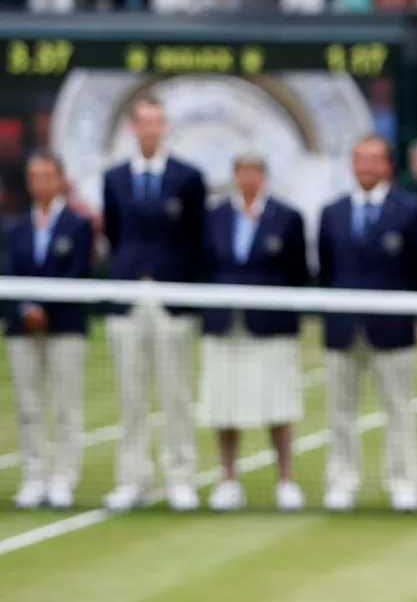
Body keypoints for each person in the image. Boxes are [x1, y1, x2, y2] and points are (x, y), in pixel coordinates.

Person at [101, 97, 207, 512]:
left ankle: (180, 477)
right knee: (130, 394)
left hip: (172, 298)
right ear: (133, 127)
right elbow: (113, 232)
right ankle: (132, 479)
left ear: (164, 128)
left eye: (157, 122)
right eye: (143, 122)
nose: (150, 129)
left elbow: (196, 237)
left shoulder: (188, 177)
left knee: (176, 393)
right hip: (127, 297)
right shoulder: (114, 179)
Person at [318, 136, 417, 512]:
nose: (365, 165)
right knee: (340, 412)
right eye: (359, 158)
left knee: (399, 409)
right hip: (342, 329)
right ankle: (341, 483)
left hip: (392, 329)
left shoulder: (410, 211)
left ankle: (403, 484)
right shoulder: (331, 212)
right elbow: (326, 269)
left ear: (386, 166)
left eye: (373, 159)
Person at [199, 152, 310, 512]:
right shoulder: (213, 216)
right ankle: (228, 480)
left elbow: (298, 272)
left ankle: (286, 480)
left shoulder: (287, 217)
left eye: (254, 172)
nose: (248, 178)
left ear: (263, 176)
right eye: (242, 172)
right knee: (225, 405)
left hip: (270, 326)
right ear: (234, 175)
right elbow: (204, 266)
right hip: (224, 325)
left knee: (277, 404)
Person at [5, 152, 93, 510]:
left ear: (60, 179)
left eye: (47, 175)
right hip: (22, 329)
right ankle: (33, 476)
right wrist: (26, 309)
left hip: (65, 327)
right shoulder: (14, 227)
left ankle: (62, 478)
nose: (40, 182)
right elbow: (10, 271)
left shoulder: (79, 225)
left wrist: (47, 309)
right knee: (28, 406)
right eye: (34, 176)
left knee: (65, 405)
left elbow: (77, 272)